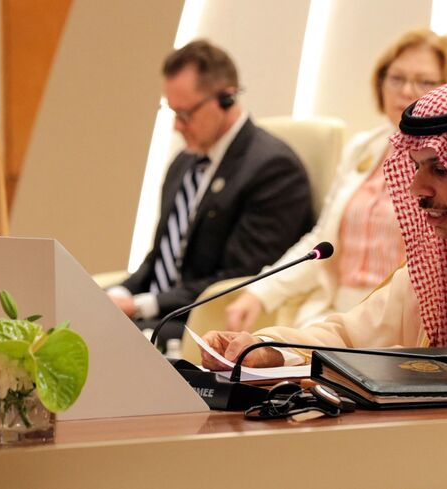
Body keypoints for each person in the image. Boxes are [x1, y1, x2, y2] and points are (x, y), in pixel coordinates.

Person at [202, 73, 447, 399]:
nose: (417, 188)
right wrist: (270, 350)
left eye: (439, 169)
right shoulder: (438, 267)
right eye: (416, 168)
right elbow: (350, 339)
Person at [225, 29, 447, 332]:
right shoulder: (363, 148)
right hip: (330, 312)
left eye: (425, 81)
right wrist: (261, 292)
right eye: (396, 78)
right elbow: (322, 241)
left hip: (398, 320)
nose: (407, 91)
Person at [108, 40, 314, 346]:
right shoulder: (183, 163)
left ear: (227, 99)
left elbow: (240, 277)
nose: (177, 126)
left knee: (108, 341)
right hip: (162, 313)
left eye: (186, 113)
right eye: (172, 112)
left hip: (205, 323)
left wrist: (142, 305)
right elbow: (161, 259)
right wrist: (116, 295)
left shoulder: (273, 168)